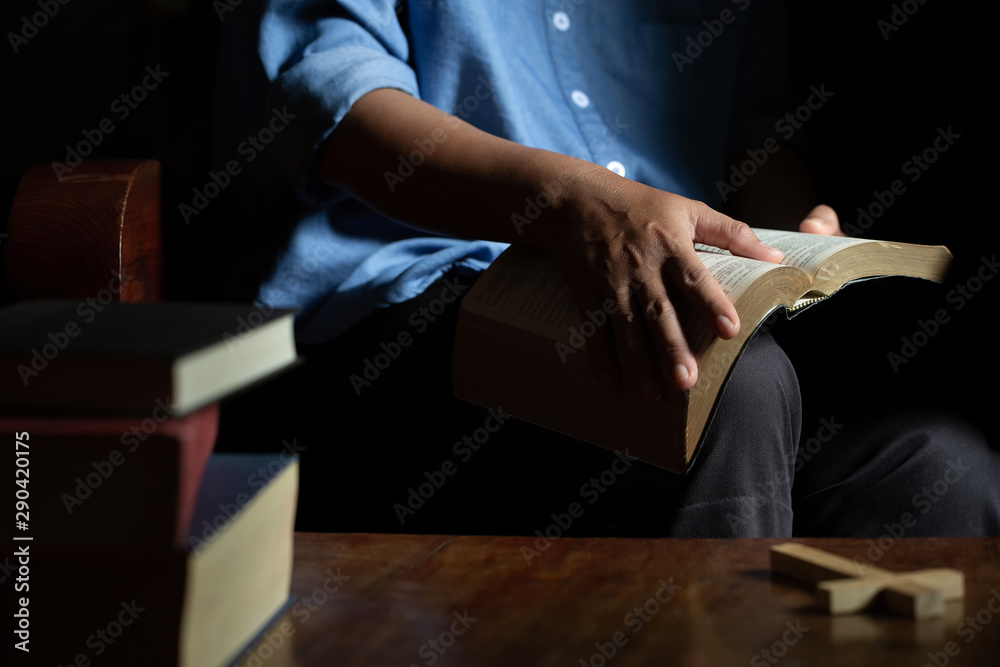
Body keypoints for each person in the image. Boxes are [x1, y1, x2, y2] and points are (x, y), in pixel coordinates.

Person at [213, 0, 1000, 537]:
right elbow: (333, 107)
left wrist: (795, 228)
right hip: (430, 297)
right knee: (734, 387)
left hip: (701, 307)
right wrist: (577, 206)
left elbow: (752, 130)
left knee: (940, 469)